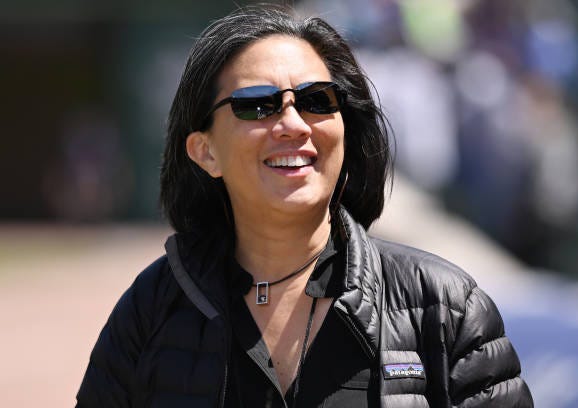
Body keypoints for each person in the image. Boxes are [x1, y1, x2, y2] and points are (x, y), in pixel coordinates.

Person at [76, 5, 533, 408]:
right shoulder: (150, 312)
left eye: (318, 101)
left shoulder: (446, 308)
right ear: (204, 151)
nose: (293, 124)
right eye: (257, 105)